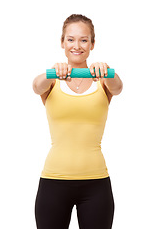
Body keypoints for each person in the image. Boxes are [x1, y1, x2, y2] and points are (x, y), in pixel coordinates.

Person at [32, 14, 123, 229]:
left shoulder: (103, 79)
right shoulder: (52, 80)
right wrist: (52, 72)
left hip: (96, 184)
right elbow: (36, 87)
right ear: (62, 42)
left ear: (92, 44)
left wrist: (107, 70)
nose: (77, 45)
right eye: (70, 39)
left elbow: (118, 87)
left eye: (84, 40)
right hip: (53, 182)